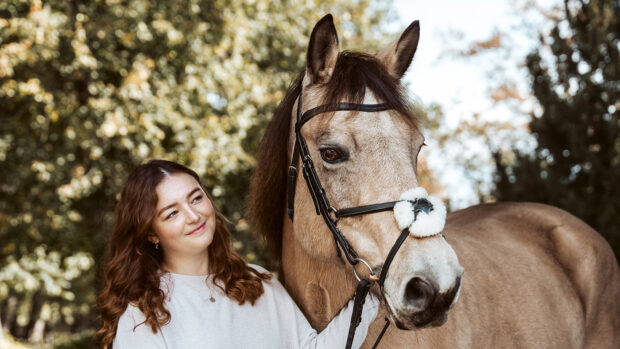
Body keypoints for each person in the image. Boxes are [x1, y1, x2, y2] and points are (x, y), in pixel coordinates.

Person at [98, 160, 379, 348]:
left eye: (196, 198)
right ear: (151, 233)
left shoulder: (257, 281)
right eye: (172, 213)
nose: (194, 215)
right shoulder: (142, 315)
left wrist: (375, 292)